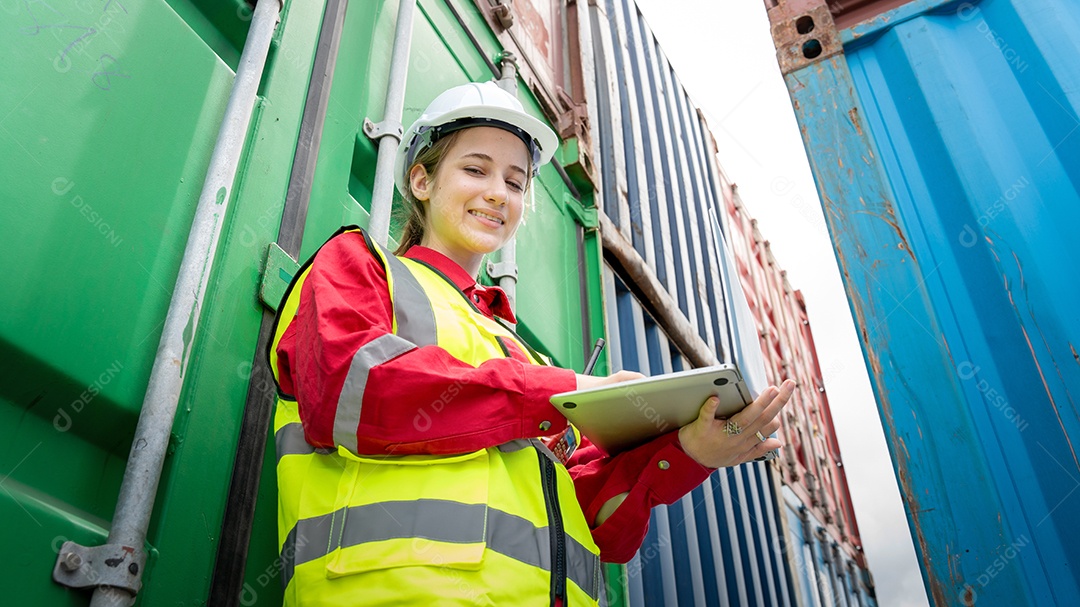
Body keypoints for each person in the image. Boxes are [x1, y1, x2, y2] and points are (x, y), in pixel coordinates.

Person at [268, 81, 794, 606]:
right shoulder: (358, 268)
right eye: (476, 170)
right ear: (422, 180)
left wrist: (684, 451)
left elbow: (597, 531)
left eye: (516, 182)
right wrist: (560, 389)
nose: (499, 192)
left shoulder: (525, 357)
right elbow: (352, 390)